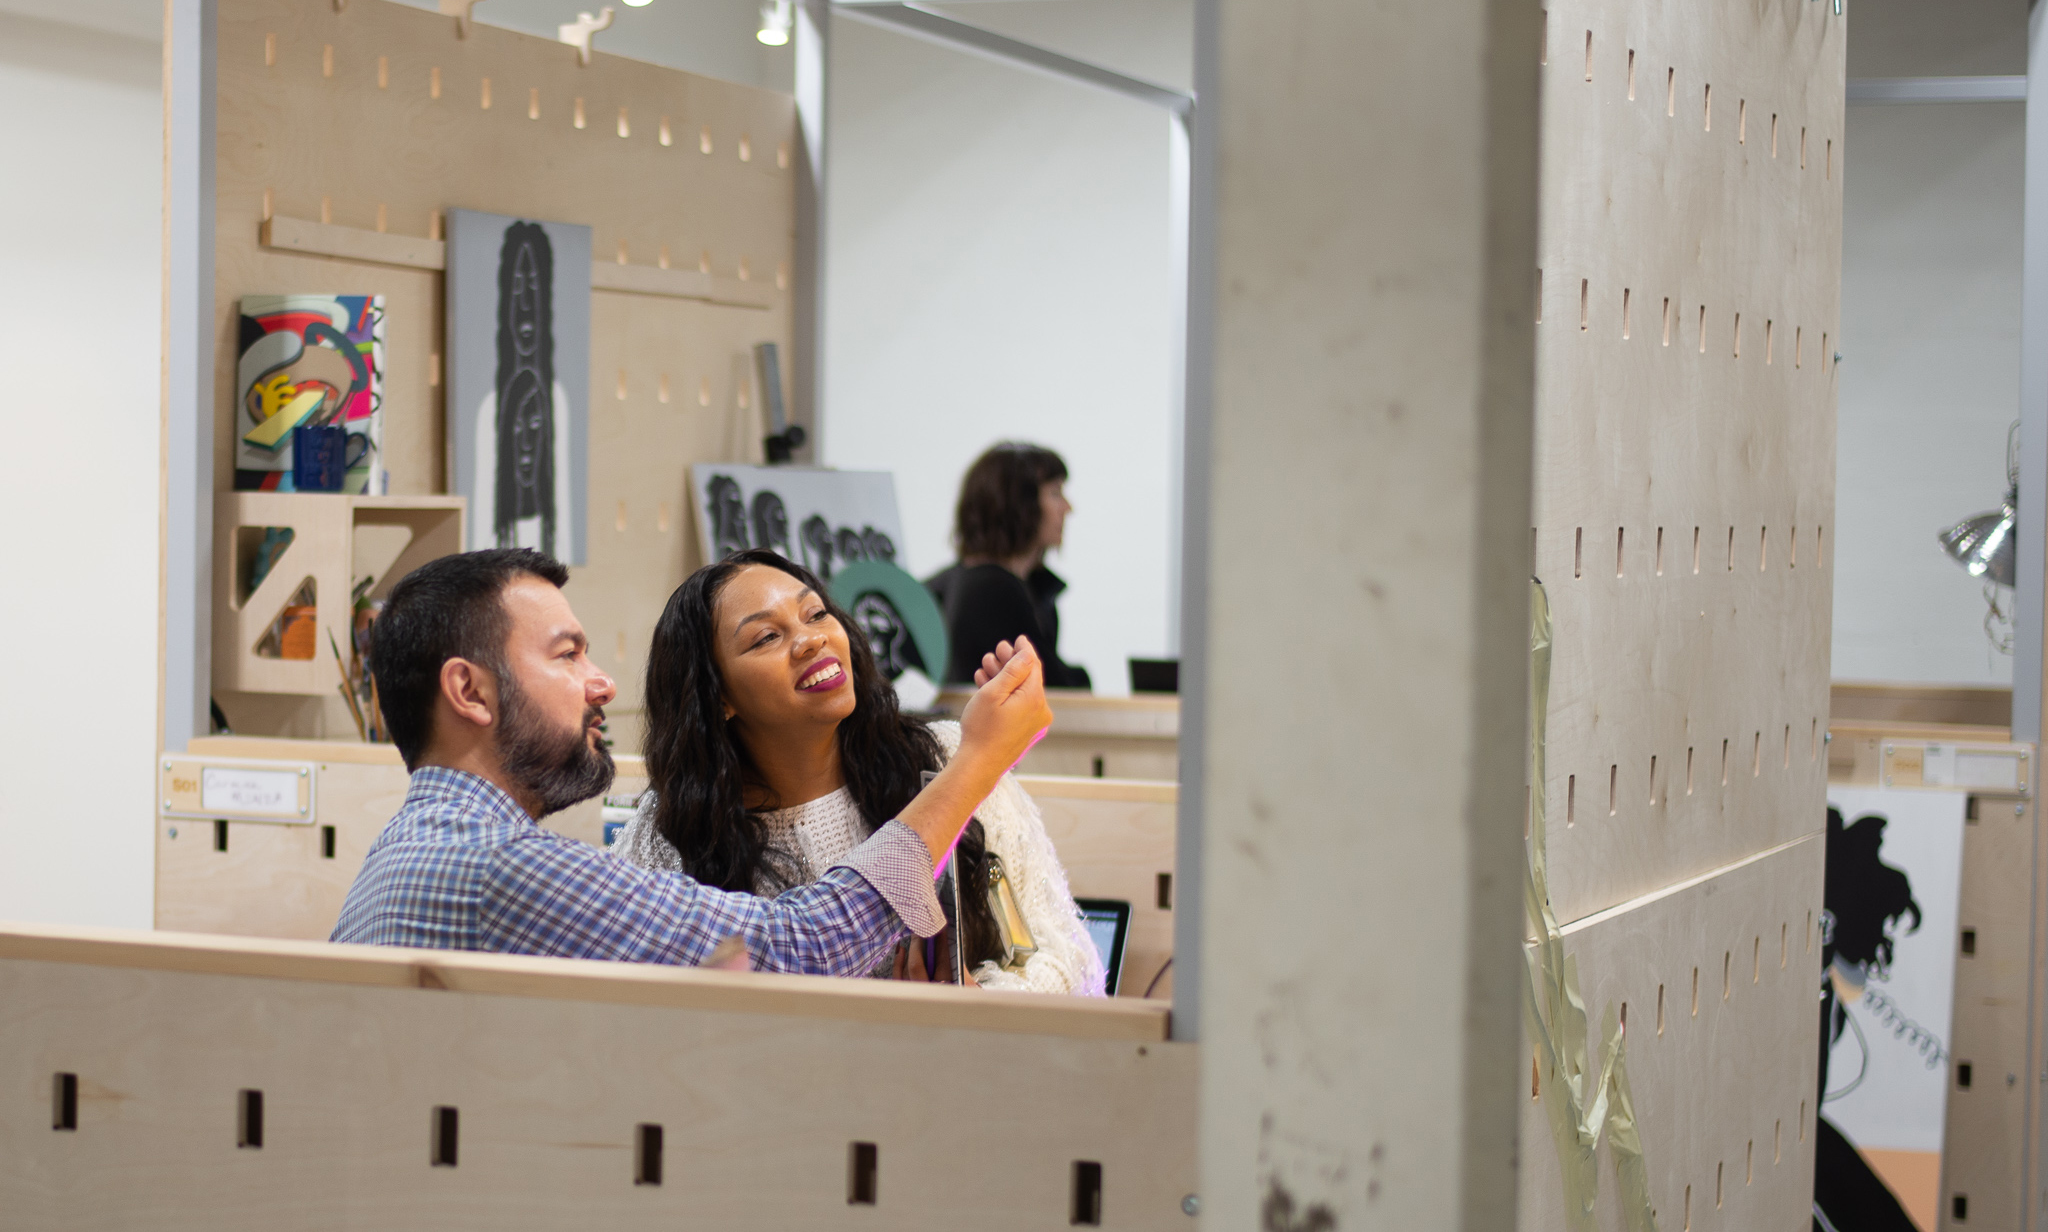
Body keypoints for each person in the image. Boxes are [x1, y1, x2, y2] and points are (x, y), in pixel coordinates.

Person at [330, 547, 1053, 976]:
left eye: (815, 614)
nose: (601, 682)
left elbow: (1052, 956)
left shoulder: (400, 853)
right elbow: (798, 950)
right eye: (568, 654)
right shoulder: (508, 867)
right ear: (469, 691)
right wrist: (980, 762)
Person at [612, 549, 1104, 994]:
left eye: (816, 613)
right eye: (766, 637)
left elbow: (1073, 960)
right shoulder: (668, 832)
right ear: (717, 696)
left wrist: (978, 1008)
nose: (810, 640)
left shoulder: (946, 758)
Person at [926, 442, 1091, 690]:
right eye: (1055, 493)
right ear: (1020, 505)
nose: (1068, 508)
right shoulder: (993, 589)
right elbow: (1050, 687)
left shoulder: (961, 581)